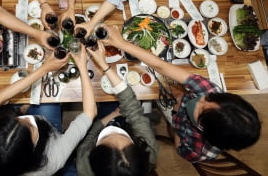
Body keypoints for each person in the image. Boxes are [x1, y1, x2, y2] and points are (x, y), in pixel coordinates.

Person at [100, 25, 261, 163]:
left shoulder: (200, 151)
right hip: (177, 104)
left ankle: (155, 114)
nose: (200, 98)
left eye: (201, 109)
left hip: (176, 120)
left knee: (147, 100)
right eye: (208, 98)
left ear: (205, 130)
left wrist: (176, 119)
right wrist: (121, 43)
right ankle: (153, 113)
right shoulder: (211, 91)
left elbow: (179, 148)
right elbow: (161, 66)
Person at [0, 44, 97, 176]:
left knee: (33, 93)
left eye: (15, 120)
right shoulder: (53, 158)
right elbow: (90, 113)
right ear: (31, 148)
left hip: (37, 126)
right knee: (50, 95)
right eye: (30, 126)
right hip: (50, 130)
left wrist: (44, 69)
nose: (29, 117)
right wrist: (82, 67)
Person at [76, 41, 158, 176]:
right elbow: (133, 109)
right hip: (126, 123)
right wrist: (104, 65)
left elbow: (90, 137)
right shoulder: (148, 152)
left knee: (105, 103)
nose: (112, 130)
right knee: (115, 101)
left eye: (105, 137)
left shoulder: (84, 164)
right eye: (121, 135)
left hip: (101, 124)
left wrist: (107, 119)